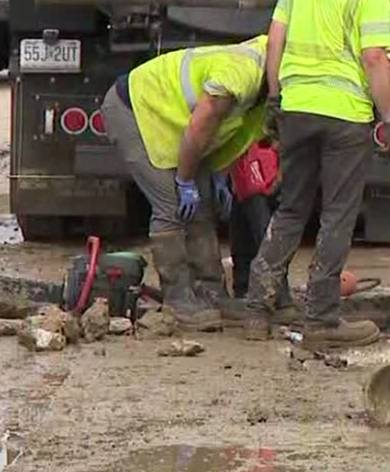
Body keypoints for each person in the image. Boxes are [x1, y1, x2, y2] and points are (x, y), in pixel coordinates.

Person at [246, 0, 390, 350]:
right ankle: (321, 317)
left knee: (291, 209)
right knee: (337, 214)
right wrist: (389, 118)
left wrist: (276, 96)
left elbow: (275, 38)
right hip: (344, 116)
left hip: (296, 107)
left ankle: (258, 308)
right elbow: (375, 57)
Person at [100, 35, 274, 332]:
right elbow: (199, 125)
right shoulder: (241, 73)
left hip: (171, 119)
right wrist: (184, 179)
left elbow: (225, 131)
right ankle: (178, 299)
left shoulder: (266, 77)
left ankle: (211, 293)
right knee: (171, 205)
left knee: (201, 207)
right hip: (135, 109)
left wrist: (216, 173)